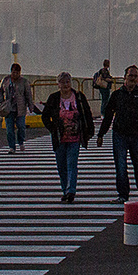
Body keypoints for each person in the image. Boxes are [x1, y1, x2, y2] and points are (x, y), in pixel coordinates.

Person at [96, 64, 138, 203]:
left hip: (136, 134)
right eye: (131, 75)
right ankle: (123, 194)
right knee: (121, 165)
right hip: (119, 134)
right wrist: (101, 134)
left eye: (136, 76)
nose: (133, 78)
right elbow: (109, 115)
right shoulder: (117, 95)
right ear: (125, 77)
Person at [41, 71, 94, 203]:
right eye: (63, 82)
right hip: (59, 137)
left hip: (75, 137)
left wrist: (90, 131)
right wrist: (52, 128)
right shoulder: (53, 98)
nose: (65, 85)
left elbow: (87, 113)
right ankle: (65, 189)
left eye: (68, 82)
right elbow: (45, 116)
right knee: (61, 166)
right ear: (58, 84)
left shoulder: (78, 97)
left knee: (72, 163)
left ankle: (71, 191)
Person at [0, 64, 39, 152]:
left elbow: (28, 95)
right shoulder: (6, 80)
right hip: (8, 108)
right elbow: (0, 90)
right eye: (13, 72)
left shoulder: (24, 82)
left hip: (20, 107)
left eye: (17, 72)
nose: (15, 74)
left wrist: (31, 106)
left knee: (21, 126)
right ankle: (12, 146)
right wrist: (1, 100)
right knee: (9, 129)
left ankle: (21, 142)